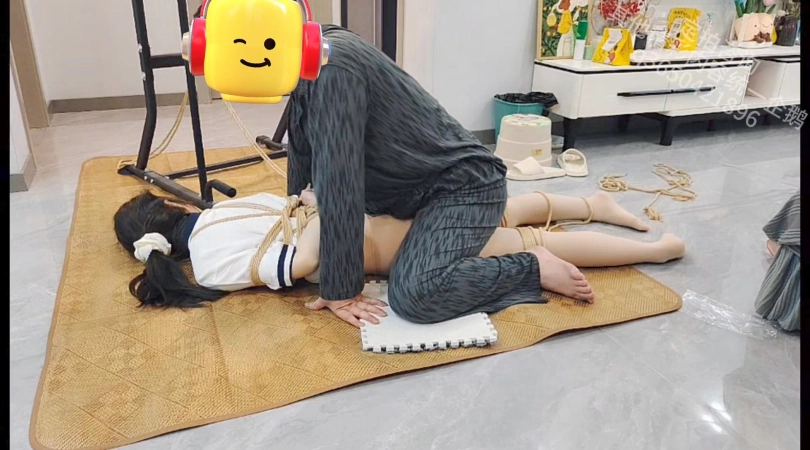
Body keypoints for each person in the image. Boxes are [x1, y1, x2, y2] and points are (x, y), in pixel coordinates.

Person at [113, 189, 686, 326]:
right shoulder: (226, 210)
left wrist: (321, 210)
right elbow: (304, 242)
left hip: (384, 242)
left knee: (522, 241)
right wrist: (323, 203)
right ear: (170, 207)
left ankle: (649, 250)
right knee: (502, 216)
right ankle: (596, 206)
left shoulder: (210, 263)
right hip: (383, 219)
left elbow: (303, 260)